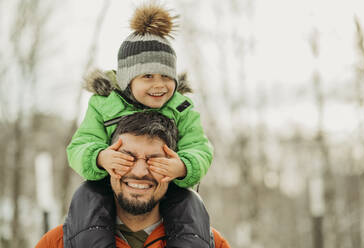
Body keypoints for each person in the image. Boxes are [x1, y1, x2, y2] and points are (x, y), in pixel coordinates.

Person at [66, 4, 213, 247]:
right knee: (88, 198)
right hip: (111, 184)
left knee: (189, 204)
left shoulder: (181, 108)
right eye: (148, 76)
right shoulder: (104, 105)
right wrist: (100, 158)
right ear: (127, 80)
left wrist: (183, 166)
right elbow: (80, 145)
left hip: (166, 183)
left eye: (166, 77)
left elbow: (200, 147)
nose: (160, 85)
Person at [36, 112, 230, 248]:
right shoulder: (58, 243)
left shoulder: (212, 244)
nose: (139, 171)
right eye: (126, 158)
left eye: (155, 160)